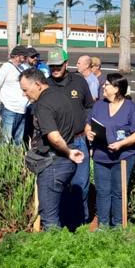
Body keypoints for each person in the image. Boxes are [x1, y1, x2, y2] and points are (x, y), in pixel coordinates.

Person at [19, 67, 85, 230]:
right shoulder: (61, 96)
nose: (24, 94)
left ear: (38, 85)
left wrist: (68, 153)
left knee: (49, 218)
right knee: (60, 213)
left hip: (53, 164)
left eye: (26, 90)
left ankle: (54, 251)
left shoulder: (43, 104)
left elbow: (54, 137)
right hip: (64, 163)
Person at [85, 73, 135, 227]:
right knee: (103, 191)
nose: (103, 87)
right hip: (101, 155)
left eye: (107, 85)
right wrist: (89, 132)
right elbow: (89, 124)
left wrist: (122, 144)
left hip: (123, 157)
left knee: (118, 192)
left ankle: (118, 225)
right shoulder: (99, 105)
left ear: (117, 88)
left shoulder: (131, 108)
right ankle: (103, 224)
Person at [46, 47, 95, 226]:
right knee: (59, 184)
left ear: (66, 64)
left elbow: (90, 106)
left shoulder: (79, 82)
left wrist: (89, 124)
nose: (55, 69)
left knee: (81, 183)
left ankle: (80, 222)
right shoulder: (46, 85)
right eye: (52, 66)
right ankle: (62, 223)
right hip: (57, 144)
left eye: (59, 65)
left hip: (79, 140)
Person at [0, 46, 29, 145]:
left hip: (23, 109)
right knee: (5, 140)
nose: (25, 59)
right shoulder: (6, 67)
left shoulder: (24, 67)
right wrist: (8, 92)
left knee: (18, 141)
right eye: (23, 57)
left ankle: (15, 160)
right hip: (9, 108)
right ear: (17, 56)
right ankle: (2, 160)